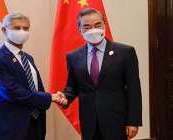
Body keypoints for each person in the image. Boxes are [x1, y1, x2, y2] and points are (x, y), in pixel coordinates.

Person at [60, 8, 142, 140]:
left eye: (97, 25)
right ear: (79, 29)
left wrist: (133, 121)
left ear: (105, 25)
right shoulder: (73, 56)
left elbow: (134, 89)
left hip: (116, 122)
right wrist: (64, 97)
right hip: (89, 123)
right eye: (87, 26)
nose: (93, 30)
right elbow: (72, 86)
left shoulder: (125, 52)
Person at [0, 12, 67, 140]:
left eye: (25, 28)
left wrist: (52, 97)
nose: (22, 31)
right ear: (4, 30)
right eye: (17, 28)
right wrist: (50, 97)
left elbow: (35, 89)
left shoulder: (28, 58)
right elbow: (11, 91)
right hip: (6, 127)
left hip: (32, 125)